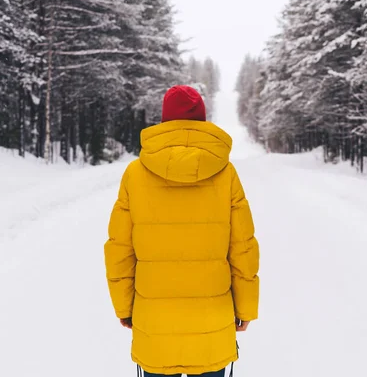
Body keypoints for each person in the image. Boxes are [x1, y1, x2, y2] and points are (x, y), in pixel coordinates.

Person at [104, 85, 260, 377]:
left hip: (155, 324)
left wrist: (124, 307)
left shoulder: (135, 174)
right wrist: (246, 308)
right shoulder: (226, 173)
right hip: (213, 322)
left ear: (164, 121)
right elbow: (243, 246)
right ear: (201, 120)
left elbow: (119, 249)